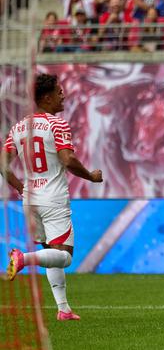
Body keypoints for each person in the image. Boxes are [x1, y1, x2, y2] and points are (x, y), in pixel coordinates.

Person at [2, 74, 103, 320]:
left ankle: (63, 309)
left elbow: (3, 164)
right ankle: (23, 259)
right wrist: (90, 176)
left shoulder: (18, 127)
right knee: (65, 256)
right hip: (53, 198)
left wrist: (18, 187)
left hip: (30, 198)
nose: (63, 95)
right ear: (46, 98)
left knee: (51, 251)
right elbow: (67, 159)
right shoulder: (57, 124)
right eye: (58, 92)